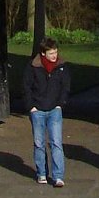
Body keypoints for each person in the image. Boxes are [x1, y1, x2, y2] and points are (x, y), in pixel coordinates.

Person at [22, 39, 71, 187]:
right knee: (39, 143)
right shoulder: (33, 66)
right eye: (51, 53)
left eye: (55, 52)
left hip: (54, 110)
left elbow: (66, 86)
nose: (54, 55)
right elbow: (26, 87)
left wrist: (60, 104)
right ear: (43, 53)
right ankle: (42, 173)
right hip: (38, 110)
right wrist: (31, 107)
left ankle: (58, 176)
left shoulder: (61, 66)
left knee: (56, 142)